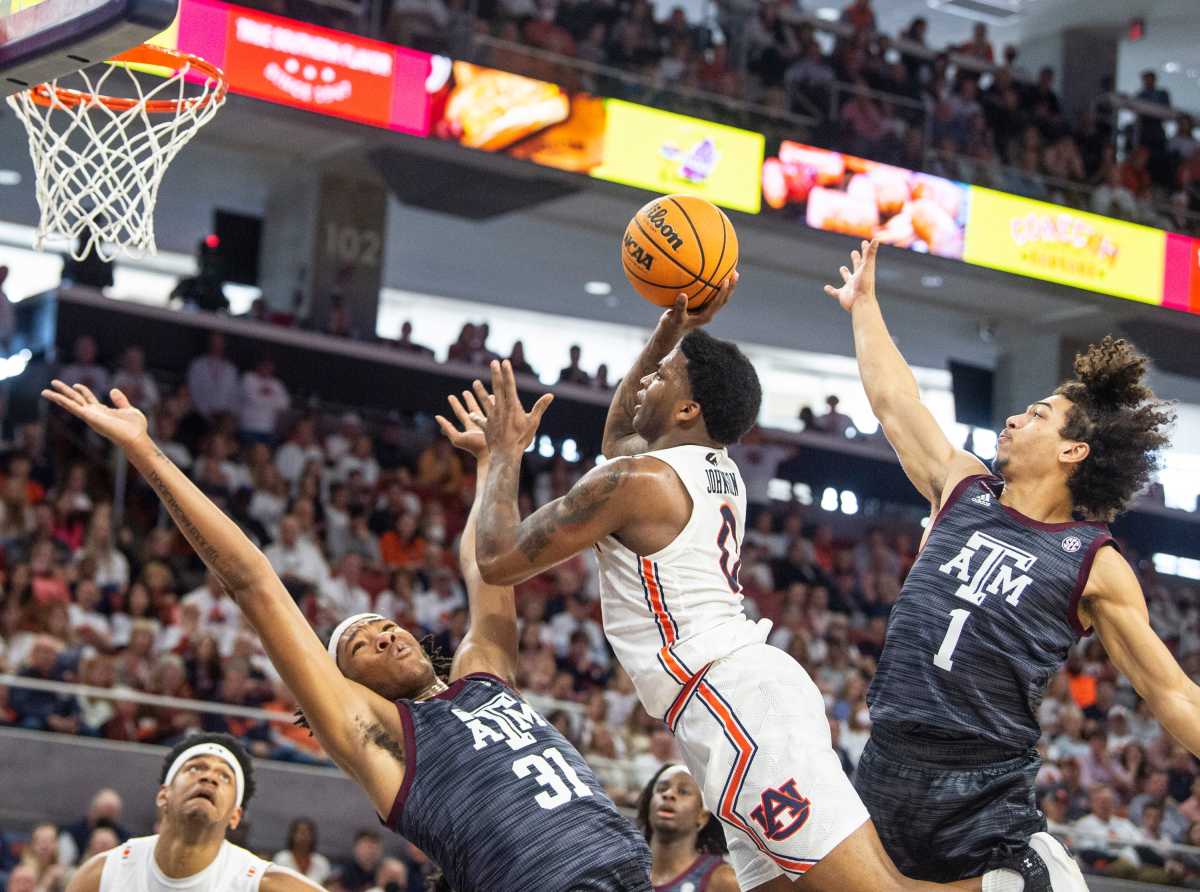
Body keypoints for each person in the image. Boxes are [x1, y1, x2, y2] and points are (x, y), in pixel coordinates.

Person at [468, 279, 1028, 891]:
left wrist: (502, 455)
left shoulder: (641, 481)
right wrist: (668, 335)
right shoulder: (709, 469)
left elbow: (496, 560)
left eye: (664, 376)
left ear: (688, 411)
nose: (647, 380)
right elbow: (619, 437)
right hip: (740, 700)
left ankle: (1016, 883)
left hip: (734, 703)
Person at [44, 378, 652, 892]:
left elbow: (487, 565)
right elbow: (252, 581)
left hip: (630, 870)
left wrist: (498, 461)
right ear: (346, 686)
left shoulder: (486, 679)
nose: (384, 636)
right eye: (362, 646)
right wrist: (147, 453)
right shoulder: (378, 739)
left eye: (386, 627)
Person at [826, 239, 1192, 888]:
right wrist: (865, 308)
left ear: (1074, 450)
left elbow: (1170, 692)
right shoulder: (961, 486)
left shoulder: (1094, 562)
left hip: (983, 786)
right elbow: (895, 401)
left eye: (1039, 414)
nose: (1016, 417)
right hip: (884, 763)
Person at [64, 732, 321, 891]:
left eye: (224, 777)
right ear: (164, 795)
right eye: (195, 769)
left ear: (235, 816)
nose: (209, 778)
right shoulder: (103, 874)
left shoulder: (264, 884)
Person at [637, 764, 738, 891]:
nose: (668, 794)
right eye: (662, 789)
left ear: (702, 816)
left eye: (683, 791)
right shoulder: (623, 868)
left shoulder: (723, 880)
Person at [272, 819, 331, 886]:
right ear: (292, 835)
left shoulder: (321, 862)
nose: (303, 836)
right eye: (300, 832)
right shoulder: (281, 858)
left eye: (307, 833)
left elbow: (327, 887)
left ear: (313, 836)